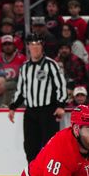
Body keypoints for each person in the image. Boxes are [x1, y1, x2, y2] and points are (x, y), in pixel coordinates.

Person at [8, 34, 68, 162]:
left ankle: (51, 175)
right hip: (31, 112)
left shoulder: (51, 65)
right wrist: (13, 107)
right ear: (28, 47)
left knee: (50, 146)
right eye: (32, 44)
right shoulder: (25, 67)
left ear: (42, 46)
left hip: (48, 110)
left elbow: (60, 85)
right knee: (30, 146)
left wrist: (61, 105)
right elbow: (21, 90)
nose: (35, 47)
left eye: (37, 44)